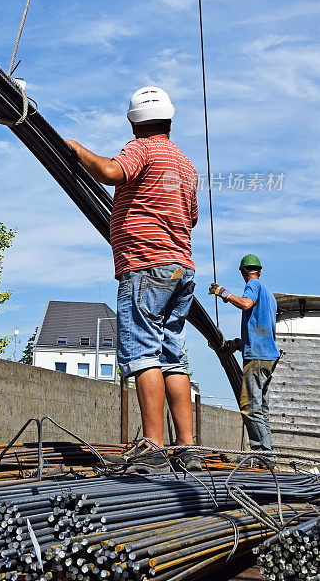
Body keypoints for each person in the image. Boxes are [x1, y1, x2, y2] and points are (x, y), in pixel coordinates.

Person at [66, 86, 200, 472]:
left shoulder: (142, 148)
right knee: (173, 358)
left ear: (133, 121)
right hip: (181, 268)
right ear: (170, 119)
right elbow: (190, 217)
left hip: (146, 266)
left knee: (143, 353)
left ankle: (152, 446)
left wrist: (77, 149)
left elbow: (111, 172)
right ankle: (187, 448)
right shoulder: (186, 165)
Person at [209, 254, 280, 462]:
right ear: (260, 270)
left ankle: (264, 455)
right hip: (268, 357)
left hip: (257, 357)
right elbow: (261, 328)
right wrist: (238, 344)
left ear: (243, 272)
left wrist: (223, 293)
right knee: (260, 409)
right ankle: (266, 455)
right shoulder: (270, 296)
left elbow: (246, 304)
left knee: (249, 407)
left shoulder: (253, 286)